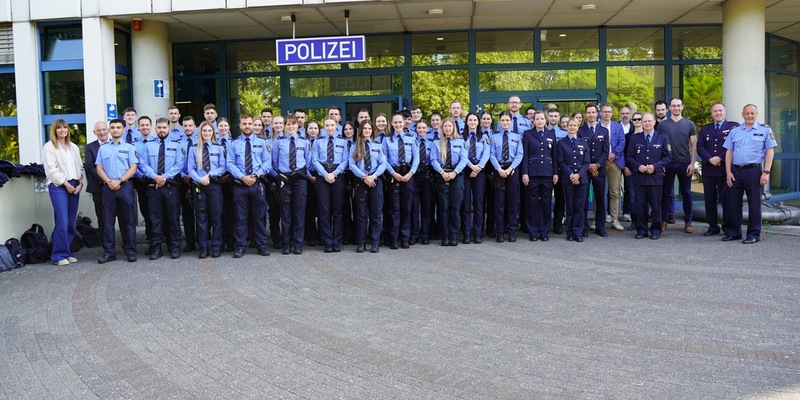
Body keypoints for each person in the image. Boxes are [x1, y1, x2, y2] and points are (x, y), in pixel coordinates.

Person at [723, 104, 777, 244]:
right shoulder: (735, 131)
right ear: (742, 115)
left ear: (756, 114)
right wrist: (728, 172)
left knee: (754, 204)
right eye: (747, 113)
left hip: (754, 171)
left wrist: (766, 172)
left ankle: (753, 234)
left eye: (752, 113)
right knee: (733, 203)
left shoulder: (765, 130)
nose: (750, 116)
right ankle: (734, 232)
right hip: (735, 171)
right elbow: (729, 152)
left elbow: (770, 151)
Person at [138, 117, 185, 260]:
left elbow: (179, 164)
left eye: (164, 128)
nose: (162, 130)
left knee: (173, 218)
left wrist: (163, 177)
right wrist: (155, 177)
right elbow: (143, 164)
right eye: (159, 128)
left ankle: (174, 247)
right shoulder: (148, 146)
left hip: (170, 187)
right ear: (155, 129)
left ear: (169, 129)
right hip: (154, 187)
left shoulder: (177, 146)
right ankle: (156, 248)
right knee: (155, 219)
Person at [228, 114, 271, 258]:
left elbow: (267, 163)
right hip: (240, 185)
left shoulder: (262, 143)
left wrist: (256, 175)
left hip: (257, 184)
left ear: (254, 125)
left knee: (259, 217)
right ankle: (240, 247)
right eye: (244, 124)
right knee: (240, 218)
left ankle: (262, 246)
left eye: (250, 124)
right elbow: (230, 164)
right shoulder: (233, 144)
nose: (247, 126)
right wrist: (242, 177)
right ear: (240, 125)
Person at [95, 118, 139, 263]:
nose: (115, 130)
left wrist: (119, 181)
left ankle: (131, 251)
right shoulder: (103, 148)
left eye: (118, 127)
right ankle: (109, 252)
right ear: (109, 130)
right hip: (108, 187)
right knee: (107, 222)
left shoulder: (129, 148)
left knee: (128, 221)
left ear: (123, 130)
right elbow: (99, 168)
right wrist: (109, 181)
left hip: (124, 186)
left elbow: (133, 167)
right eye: (112, 127)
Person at [42, 119, 83, 266]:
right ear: (54, 130)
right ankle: (58, 255)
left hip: (74, 185)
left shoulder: (73, 147)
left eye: (65, 127)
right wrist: (65, 183)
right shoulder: (49, 147)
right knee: (62, 220)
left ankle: (67, 251)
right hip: (59, 185)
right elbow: (51, 169)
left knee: (71, 221)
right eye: (59, 128)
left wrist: (80, 183)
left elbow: (80, 167)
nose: (62, 130)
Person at [627, 113, 671, 240]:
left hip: (655, 178)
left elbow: (667, 157)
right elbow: (629, 157)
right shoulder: (635, 138)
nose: (646, 123)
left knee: (656, 206)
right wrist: (638, 166)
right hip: (639, 177)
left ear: (654, 122)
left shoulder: (662, 138)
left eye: (649, 121)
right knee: (640, 206)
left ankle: (656, 230)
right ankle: (641, 230)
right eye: (644, 121)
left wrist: (655, 166)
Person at [697, 102, 739, 236]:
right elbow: (700, 147)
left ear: (725, 112)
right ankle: (713, 226)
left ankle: (727, 227)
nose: (718, 113)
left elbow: (733, 145)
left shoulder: (733, 126)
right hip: (709, 170)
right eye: (715, 111)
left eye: (720, 111)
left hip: (724, 169)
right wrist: (710, 159)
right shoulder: (705, 129)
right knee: (709, 199)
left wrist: (719, 158)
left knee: (726, 199)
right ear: (712, 114)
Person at [272, 114, 311, 255]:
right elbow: (274, 162)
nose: (291, 126)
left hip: (300, 180)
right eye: (288, 124)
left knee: (299, 213)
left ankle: (297, 244)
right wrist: (282, 174)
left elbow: (308, 161)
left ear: (297, 125)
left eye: (293, 124)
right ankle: (286, 244)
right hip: (285, 180)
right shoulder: (279, 142)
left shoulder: (304, 142)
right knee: (286, 213)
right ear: (284, 126)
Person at [658, 97, 697, 234]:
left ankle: (688, 222)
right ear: (669, 108)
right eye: (673, 106)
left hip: (684, 163)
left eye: (678, 106)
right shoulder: (662, 125)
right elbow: (659, 145)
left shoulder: (689, 124)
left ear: (682, 107)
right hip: (667, 163)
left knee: (686, 193)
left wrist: (692, 163)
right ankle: (664, 221)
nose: (676, 108)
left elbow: (694, 144)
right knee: (665, 193)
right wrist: (660, 163)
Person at [187, 121, 226, 258]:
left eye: (209, 131)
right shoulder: (193, 149)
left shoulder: (218, 148)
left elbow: (223, 167)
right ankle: (203, 248)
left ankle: (216, 247)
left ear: (213, 133)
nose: (207, 133)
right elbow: (190, 168)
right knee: (201, 219)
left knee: (216, 217)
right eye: (204, 131)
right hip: (200, 187)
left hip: (214, 186)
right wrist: (199, 179)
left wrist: (210, 175)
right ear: (200, 133)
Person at [312, 118, 350, 252]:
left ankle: (336, 240)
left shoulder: (343, 142)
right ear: (323, 127)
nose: (329, 128)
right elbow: (314, 160)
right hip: (323, 176)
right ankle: (327, 240)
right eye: (327, 125)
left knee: (338, 211)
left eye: (332, 125)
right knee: (324, 211)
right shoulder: (317, 142)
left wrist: (334, 174)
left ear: (336, 127)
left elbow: (346, 160)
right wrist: (325, 174)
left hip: (337, 176)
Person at [382, 112, 419, 248]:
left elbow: (416, 157)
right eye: (395, 122)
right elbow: (384, 159)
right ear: (392, 124)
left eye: (400, 122)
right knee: (395, 209)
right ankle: (394, 238)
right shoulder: (386, 140)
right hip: (394, 175)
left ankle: (405, 238)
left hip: (408, 174)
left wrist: (411, 173)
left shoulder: (411, 138)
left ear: (404, 123)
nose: (398, 125)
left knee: (406, 208)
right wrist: (392, 173)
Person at [350, 119, 387, 253]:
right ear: (360, 130)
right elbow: (351, 164)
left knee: (376, 214)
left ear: (372, 131)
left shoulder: (378, 146)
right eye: (364, 128)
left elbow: (383, 164)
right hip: (361, 182)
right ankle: (361, 243)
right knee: (361, 215)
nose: (367, 131)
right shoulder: (355, 146)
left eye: (369, 129)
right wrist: (364, 177)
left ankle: (375, 242)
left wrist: (373, 176)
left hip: (375, 181)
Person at [521, 111, 558, 242]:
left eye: (542, 119)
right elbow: (525, 155)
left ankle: (544, 231)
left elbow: (554, 155)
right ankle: (533, 231)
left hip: (547, 174)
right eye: (537, 119)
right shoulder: (527, 134)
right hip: (533, 174)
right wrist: (525, 173)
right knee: (532, 204)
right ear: (533, 121)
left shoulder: (551, 134)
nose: (540, 121)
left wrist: (555, 173)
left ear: (545, 120)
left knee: (546, 203)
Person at [431, 117, 468, 246]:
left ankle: (454, 236)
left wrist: (454, 173)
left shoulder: (461, 141)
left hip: (456, 176)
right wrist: (442, 172)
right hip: (442, 176)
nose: (447, 128)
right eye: (445, 126)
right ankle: (445, 236)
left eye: (450, 126)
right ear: (442, 128)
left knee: (455, 207)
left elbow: (464, 159)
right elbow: (433, 160)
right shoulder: (436, 143)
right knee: (443, 208)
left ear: (454, 128)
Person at [489, 112, 524, 243]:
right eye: (502, 120)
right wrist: (499, 169)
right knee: (499, 203)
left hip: (512, 171)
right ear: (499, 122)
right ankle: (500, 232)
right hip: (499, 171)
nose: (505, 123)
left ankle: (512, 231)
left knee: (512, 203)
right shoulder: (494, 137)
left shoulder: (517, 136)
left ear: (510, 122)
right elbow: (492, 155)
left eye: (507, 120)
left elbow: (519, 155)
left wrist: (510, 169)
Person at [578, 103, 609, 237]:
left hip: (599, 170)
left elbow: (605, 151)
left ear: (597, 114)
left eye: (593, 112)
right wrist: (589, 165)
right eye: (588, 113)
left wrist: (597, 165)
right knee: (583, 200)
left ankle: (600, 227)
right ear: (586, 114)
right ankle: (583, 227)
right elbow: (579, 151)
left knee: (600, 200)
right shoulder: (580, 130)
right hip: (585, 170)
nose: (591, 115)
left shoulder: (604, 130)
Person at [558, 117, 590, 242]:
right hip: (568, 179)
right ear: (566, 127)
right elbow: (561, 161)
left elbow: (586, 162)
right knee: (570, 207)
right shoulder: (561, 143)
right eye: (570, 125)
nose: (572, 127)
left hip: (582, 179)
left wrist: (578, 175)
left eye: (574, 125)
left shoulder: (583, 143)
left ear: (578, 126)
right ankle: (569, 232)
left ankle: (578, 232)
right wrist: (571, 175)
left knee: (580, 207)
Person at [461, 112, 490, 244]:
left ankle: (478, 233)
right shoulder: (461, 137)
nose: (472, 122)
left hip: (480, 172)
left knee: (479, 204)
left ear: (478, 122)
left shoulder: (484, 137)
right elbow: (462, 155)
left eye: (474, 120)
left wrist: (478, 167)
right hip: (465, 171)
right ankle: (467, 233)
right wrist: (471, 167)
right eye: (470, 120)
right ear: (466, 122)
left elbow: (486, 154)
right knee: (466, 204)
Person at [599, 103, 626, 232]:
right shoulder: (596, 127)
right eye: (605, 111)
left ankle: (615, 218)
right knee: (600, 192)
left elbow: (622, 142)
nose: (607, 114)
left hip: (614, 162)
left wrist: (613, 155)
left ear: (612, 113)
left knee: (614, 191)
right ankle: (601, 218)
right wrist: (601, 158)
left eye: (609, 112)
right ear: (601, 113)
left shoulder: (617, 127)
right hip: (600, 163)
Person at [132, 116, 157, 249]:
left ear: (151, 126)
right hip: (142, 181)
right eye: (142, 125)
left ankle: (160, 237)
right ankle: (150, 237)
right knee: (146, 210)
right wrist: (142, 176)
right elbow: (133, 164)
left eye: (147, 125)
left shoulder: (157, 142)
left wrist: (154, 176)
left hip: (156, 181)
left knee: (157, 211)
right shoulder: (134, 145)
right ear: (138, 127)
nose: (145, 127)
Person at [85, 121, 110, 243]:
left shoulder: (116, 144)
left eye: (104, 129)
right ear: (94, 132)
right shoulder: (90, 147)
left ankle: (123, 243)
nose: (102, 132)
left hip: (116, 186)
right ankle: (105, 244)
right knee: (102, 217)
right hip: (99, 187)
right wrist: (105, 180)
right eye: (99, 130)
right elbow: (89, 167)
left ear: (108, 130)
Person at [411, 119, 435, 245]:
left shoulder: (432, 142)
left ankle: (425, 234)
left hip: (427, 175)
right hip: (414, 176)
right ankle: (414, 234)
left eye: (423, 128)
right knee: (414, 208)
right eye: (419, 128)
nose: (421, 130)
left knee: (427, 207)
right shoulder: (412, 141)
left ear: (427, 129)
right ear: (416, 129)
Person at [178, 116, 198, 251]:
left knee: (202, 212)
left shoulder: (200, 142)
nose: (188, 128)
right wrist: (183, 175)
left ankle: (203, 240)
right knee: (187, 213)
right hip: (182, 181)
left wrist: (194, 175)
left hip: (198, 180)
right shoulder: (177, 143)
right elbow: (174, 162)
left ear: (194, 127)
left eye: (190, 125)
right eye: (185, 126)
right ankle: (190, 242)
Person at [547, 108, 567, 234]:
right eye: (551, 116)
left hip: (560, 171)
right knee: (545, 198)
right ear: (547, 117)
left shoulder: (564, 134)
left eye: (555, 116)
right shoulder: (543, 132)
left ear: (558, 118)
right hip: (546, 170)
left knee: (560, 198)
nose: (553, 118)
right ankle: (545, 223)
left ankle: (558, 224)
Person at [623, 112, 645, 230]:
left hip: (645, 171)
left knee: (644, 196)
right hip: (631, 171)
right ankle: (634, 221)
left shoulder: (647, 135)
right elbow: (625, 153)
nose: (637, 121)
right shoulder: (628, 136)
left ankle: (643, 220)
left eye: (639, 119)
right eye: (635, 119)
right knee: (632, 196)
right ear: (632, 121)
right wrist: (625, 167)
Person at [479, 111, 496, 238]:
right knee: (479, 201)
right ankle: (478, 228)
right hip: (480, 170)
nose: (486, 121)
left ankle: (490, 228)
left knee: (492, 201)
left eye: (488, 119)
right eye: (484, 118)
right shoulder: (477, 134)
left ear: (491, 120)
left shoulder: (495, 134)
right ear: (481, 120)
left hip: (493, 169)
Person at [340, 121, 357, 245]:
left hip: (356, 174)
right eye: (346, 129)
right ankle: (346, 234)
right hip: (343, 174)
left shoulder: (358, 143)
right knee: (344, 206)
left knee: (357, 206)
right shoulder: (340, 143)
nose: (348, 131)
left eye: (350, 129)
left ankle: (357, 234)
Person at [304, 120, 321, 245]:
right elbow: (301, 162)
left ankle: (321, 235)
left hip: (320, 176)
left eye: (315, 128)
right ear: (306, 130)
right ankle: (310, 235)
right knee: (309, 208)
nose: (313, 130)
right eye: (311, 128)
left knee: (321, 207)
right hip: (306, 177)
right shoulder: (303, 143)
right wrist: (309, 177)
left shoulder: (321, 143)